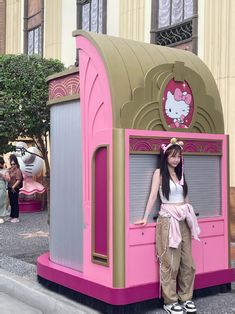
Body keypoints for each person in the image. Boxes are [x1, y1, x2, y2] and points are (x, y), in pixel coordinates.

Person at [135, 138, 200, 314]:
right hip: (168, 221)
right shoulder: (159, 173)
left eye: (178, 156)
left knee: (188, 263)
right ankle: (170, 301)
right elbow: (152, 196)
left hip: (183, 220)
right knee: (170, 262)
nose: (176, 159)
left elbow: (185, 198)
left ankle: (185, 297)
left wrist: (191, 217)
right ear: (165, 157)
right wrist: (145, 217)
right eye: (172, 156)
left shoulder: (181, 174)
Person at [5, 154, 23, 223]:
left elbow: (19, 180)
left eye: (14, 164)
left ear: (16, 163)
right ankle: (11, 216)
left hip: (14, 188)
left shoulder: (18, 170)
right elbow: (6, 173)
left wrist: (13, 186)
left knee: (15, 202)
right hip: (10, 187)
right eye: (11, 164)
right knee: (11, 203)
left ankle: (16, 217)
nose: (13, 165)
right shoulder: (10, 169)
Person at [0, 156, 10, 223]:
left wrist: (2, 175)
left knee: (2, 201)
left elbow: (8, 179)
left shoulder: (5, 171)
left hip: (2, 187)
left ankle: (1, 216)